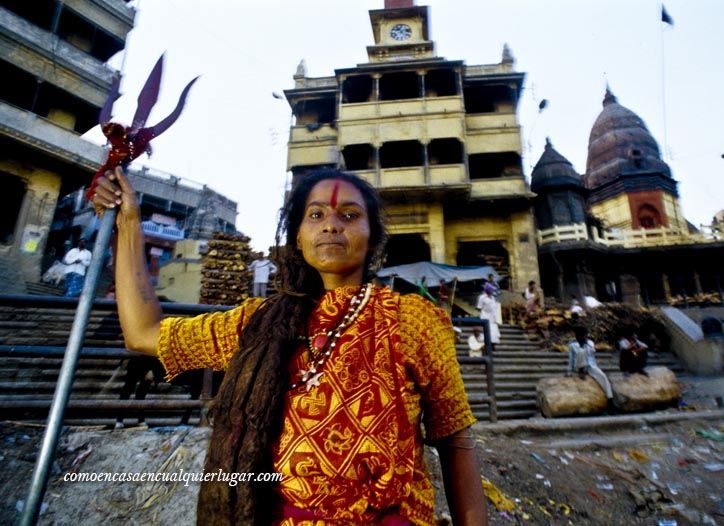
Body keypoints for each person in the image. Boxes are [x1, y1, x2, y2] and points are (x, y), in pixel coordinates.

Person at [92, 166, 487, 525]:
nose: (331, 225)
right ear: (298, 237)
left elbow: (455, 441)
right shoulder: (258, 323)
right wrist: (128, 225)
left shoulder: (412, 320)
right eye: (316, 215)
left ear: (372, 238)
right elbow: (144, 333)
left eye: (349, 215)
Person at [566, 326, 614, 407]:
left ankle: (610, 399)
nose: (584, 337)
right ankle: (581, 370)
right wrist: (569, 372)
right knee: (581, 352)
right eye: (582, 335)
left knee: (603, 376)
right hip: (578, 366)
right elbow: (571, 359)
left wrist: (585, 344)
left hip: (590, 366)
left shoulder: (590, 343)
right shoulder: (572, 345)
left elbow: (591, 352)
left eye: (585, 335)